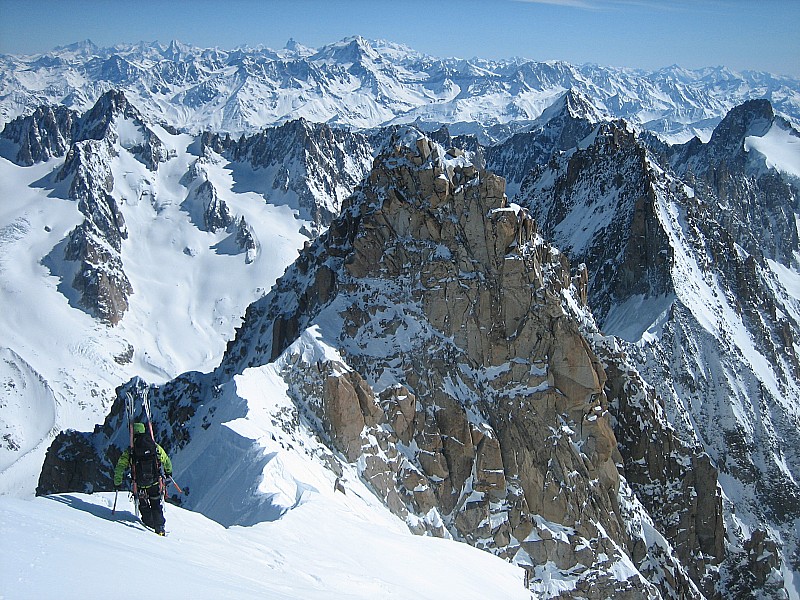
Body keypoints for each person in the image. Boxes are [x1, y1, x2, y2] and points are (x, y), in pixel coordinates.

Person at [114, 422, 173, 535]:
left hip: (140, 484)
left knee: (144, 504)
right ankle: (159, 527)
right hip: (154, 482)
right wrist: (168, 472)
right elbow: (165, 459)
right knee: (156, 503)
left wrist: (117, 482)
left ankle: (149, 523)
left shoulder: (131, 451)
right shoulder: (154, 447)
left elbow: (120, 466)